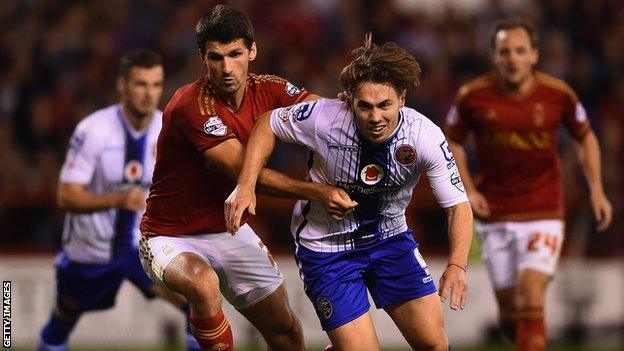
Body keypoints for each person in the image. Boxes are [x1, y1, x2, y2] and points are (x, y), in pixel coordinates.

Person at [226, 34, 474, 351]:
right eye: (365, 106)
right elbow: (268, 123)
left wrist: (457, 265)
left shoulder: (424, 136)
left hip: (391, 240)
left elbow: (457, 206)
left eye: (384, 105)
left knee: (435, 345)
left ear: (402, 97)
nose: (374, 117)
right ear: (349, 99)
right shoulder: (325, 117)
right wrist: (246, 184)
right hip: (327, 249)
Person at [138, 5, 354, 351]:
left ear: (252, 51)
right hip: (170, 236)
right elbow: (248, 175)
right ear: (202, 58)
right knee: (203, 285)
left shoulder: (270, 89)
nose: (226, 68)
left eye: (235, 54)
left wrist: (349, 107)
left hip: (228, 229)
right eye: (216, 57)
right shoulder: (190, 107)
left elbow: (320, 113)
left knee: (287, 334)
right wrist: (318, 191)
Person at [444, 18, 613, 351]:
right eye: (505, 51)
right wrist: (469, 190)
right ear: (494, 56)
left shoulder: (558, 94)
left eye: (520, 51)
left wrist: (596, 188)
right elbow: (451, 141)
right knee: (510, 312)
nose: (513, 58)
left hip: (543, 209)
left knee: (531, 294)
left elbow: (585, 135)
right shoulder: (472, 97)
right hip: (495, 212)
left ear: (534, 55)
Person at [38, 49, 201, 351]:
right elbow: (66, 195)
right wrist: (117, 199)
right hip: (92, 251)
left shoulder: (166, 129)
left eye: (155, 85)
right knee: (63, 318)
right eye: (141, 84)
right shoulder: (93, 131)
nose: (149, 93)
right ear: (122, 86)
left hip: (142, 249)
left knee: (196, 302)